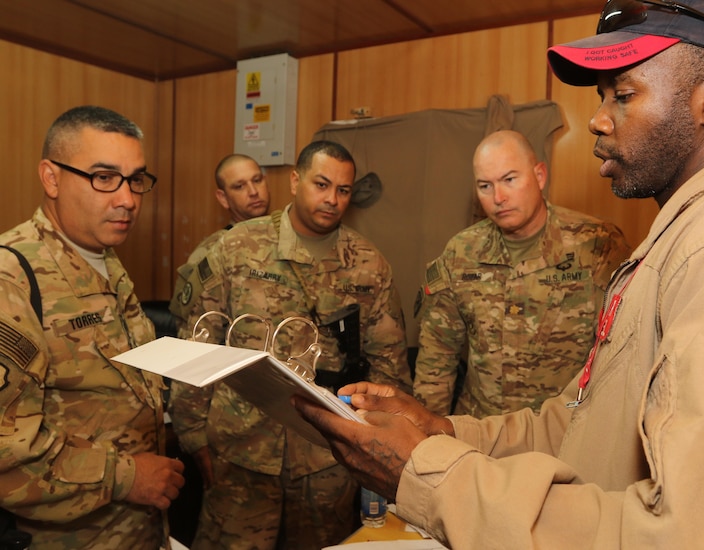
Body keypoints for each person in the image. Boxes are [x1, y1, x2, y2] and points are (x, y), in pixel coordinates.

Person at [293, 1, 704, 548]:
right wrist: (442, 430)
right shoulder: (684, 240)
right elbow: (575, 426)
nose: (597, 117)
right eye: (602, 96)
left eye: (623, 94)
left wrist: (426, 474)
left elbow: (702, 534)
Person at [169, 140, 413, 549]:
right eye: (321, 184)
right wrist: (194, 438)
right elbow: (197, 341)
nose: (332, 199)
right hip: (240, 451)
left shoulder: (370, 264)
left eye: (343, 190)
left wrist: (375, 450)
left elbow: (388, 367)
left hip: (328, 457)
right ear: (295, 181)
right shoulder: (236, 247)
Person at [0, 105, 185, 548]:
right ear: (51, 177)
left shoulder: (106, 263)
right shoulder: (12, 279)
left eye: (136, 179)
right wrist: (127, 477)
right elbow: (7, 451)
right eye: (104, 177)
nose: (127, 199)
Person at [413, 129, 629, 417]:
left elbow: (623, 350)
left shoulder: (597, 244)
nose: (498, 197)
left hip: (562, 432)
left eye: (509, 180)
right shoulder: (461, 252)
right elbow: (436, 359)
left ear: (539, 176)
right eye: (484, 186)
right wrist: (429, 438)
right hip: (482, 433)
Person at [170, 153, 271, 327]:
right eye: (239, 186)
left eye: (257, 180)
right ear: (223, 198)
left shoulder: (287, 240)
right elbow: (193, 326)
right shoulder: (212, 251)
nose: (254, 192)